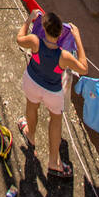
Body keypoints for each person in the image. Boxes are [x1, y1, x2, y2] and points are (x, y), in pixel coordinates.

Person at [15, 9, 88, 179]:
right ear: (61, 33)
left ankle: (30, 135)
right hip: (52, 92)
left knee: (31, 108)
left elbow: (19, 39)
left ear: (43, 28)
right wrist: (77, 38)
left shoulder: (35, 41)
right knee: (55, 121)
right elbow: (84, 68)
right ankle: (53, 162)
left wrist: (28, 20)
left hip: (32, 82)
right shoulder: (64, 56)